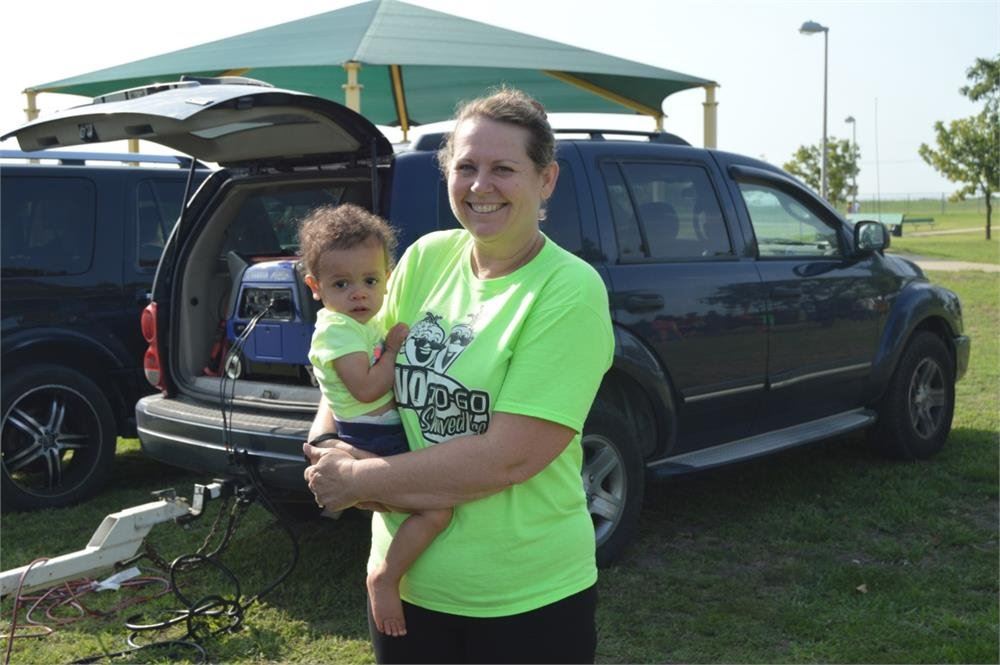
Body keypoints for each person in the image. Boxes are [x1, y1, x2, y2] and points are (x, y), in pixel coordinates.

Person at [303, 88, 614, 664]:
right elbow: (356, 363)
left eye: (504, 169)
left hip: (523, 599)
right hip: (408, 584)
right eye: (466, 166)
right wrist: (327, 444)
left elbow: (511, 458)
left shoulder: (568, 292)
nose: (480, 186)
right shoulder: (426, 258)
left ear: (546, 180)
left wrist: (359, 480)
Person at [299, 204, 452, 638]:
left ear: (388, 275)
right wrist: (395, 348)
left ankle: (351, 477)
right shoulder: (336, 331)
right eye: (342, 284)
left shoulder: (358, 320)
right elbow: (366, 387)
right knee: (436, 508)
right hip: (373, 433)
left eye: (370, 281)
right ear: (315, 287)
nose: (359, 294)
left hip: (378, 430)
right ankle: (385, 578)